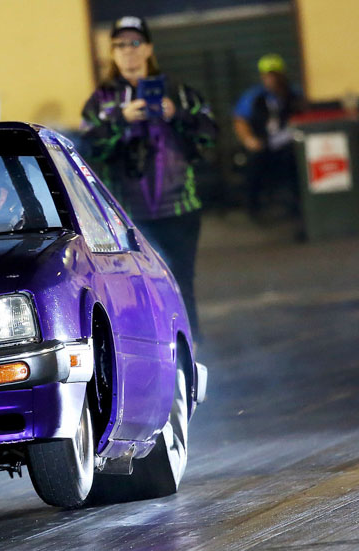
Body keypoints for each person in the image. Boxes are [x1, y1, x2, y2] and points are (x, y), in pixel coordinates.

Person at [80, 16, 217, 339]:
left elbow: (210, 136)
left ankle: (190, 355)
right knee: (135, 293)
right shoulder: (101, 101)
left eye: (134, 43)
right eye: (119, 45)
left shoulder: (179, 92)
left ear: (148, 49)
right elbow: (87, 150)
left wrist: (176, 114)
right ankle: (149, 353)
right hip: (127, 219)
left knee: (180, 285)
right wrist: (120, 119)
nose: (127, 51)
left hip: (179, 210)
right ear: (112, 52)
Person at [233, 54, 304, 220]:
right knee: (254, 165)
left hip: (290, 145)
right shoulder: (254, 96)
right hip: (264, 145)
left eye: (274, 75)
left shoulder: (294, 94)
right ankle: (253, 207)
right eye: (267, 75)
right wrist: (249, 140)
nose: (271, 79)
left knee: (296, 165)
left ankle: (298, 206)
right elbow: (240, 120)